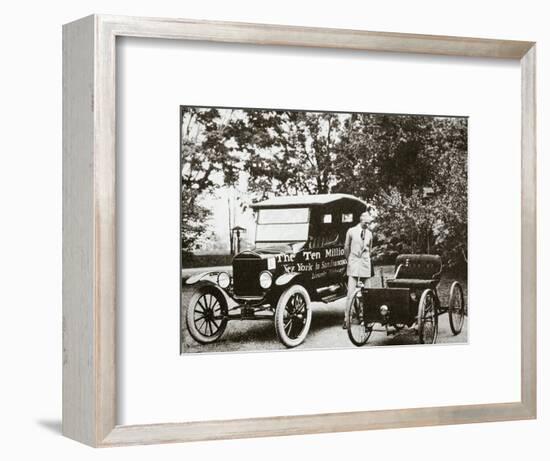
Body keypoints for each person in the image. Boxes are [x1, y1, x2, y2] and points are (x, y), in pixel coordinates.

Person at [343, 211, 374, 329]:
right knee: (350, 293)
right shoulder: (351, 231)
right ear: (361, 221)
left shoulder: (370, 234)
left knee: (368, 293)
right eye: (366, 223)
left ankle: (366, 318)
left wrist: (366, 258)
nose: (367, 225)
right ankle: (347, 319)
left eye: (369, 223)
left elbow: (370, 249)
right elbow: (346, 247)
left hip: (365, 264)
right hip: (354, 263)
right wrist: (350, 260)